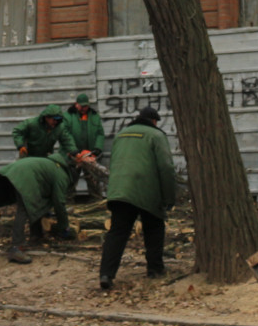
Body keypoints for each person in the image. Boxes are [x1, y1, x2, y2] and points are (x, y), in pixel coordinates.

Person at [97, 106, 176, 291]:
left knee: (117, 232)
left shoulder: (121, 135)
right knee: (154, 227)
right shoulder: (156, 136)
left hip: (119, 190)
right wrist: (169, 198)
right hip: (146, 189)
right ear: (154, 121)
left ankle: (106, 274)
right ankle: (155, 269)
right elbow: (166, 168)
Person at [0, 152, 76, 263]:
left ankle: (36, 236)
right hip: (25, 175)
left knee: (34, 203)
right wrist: (64, 226)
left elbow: (46, 198)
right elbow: (59, 202)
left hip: (18, 171)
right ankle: (16, 248)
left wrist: (47, 212)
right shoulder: (62, 176)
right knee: (24, 208)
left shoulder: (55, 166)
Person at [63, 92, 109, 198]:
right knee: (70, 179)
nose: (84, 108)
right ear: (76, 104)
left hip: (89, 154)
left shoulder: (94, 116)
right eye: (82, 106)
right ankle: (67, 201)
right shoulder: (67, 117)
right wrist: (73, 150)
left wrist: (97, 148)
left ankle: (96, 200)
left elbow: (100, 133)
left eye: (86, 106)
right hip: (73, 155)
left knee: (93, 179)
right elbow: (65, 134)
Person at [11, 103, 77, 160]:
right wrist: (20, 145)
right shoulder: (32, 123)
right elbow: (17, 131)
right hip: (28, 157)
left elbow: (67, 140)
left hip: (45, 158)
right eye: (54, 119)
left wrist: (74, 152)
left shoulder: (59, 128)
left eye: (58, 120)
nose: (56, 122)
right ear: (46, 117)